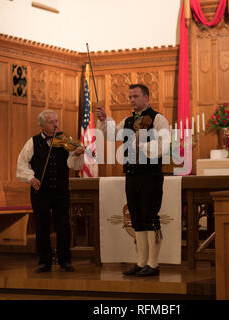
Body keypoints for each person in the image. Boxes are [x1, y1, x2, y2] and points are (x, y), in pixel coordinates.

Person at [96, 84, 170, 277]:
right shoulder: (128, 120)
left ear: (146, 98)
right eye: (130, 97)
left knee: (149, 216)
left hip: (150, 175)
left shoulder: (158, 118)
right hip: (132, 174)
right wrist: (105, 120)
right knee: (136, 217)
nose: (132, 100)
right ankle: (140, 262)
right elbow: (112, 134)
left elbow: (164, 144)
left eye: (135, 96)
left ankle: (153, 264)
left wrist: (142, 144)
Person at [17, 110, 84, 273]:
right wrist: (31, 178)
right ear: (41, 125)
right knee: (42, 226)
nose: (56, 125)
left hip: (61, 191)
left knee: (63, 226)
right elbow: (22, 164)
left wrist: (76, 154)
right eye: (51, 122)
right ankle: (44, 261)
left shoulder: (65, 141)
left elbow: (74, 166)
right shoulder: (32, 142)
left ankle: (65, 260)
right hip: (41, 191)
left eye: (56, 121)